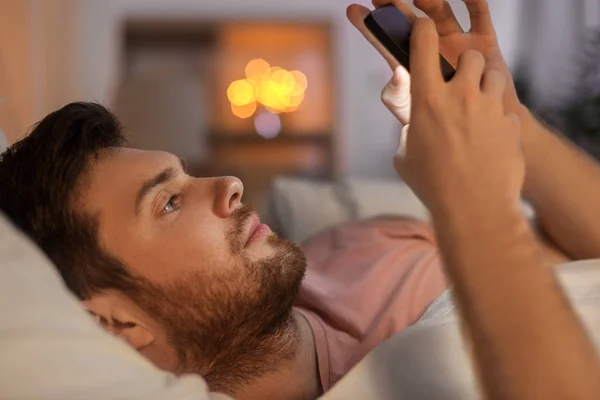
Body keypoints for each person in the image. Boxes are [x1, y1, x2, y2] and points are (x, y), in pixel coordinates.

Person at [0, 1, 598, 400]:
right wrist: (472, 201)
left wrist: (507, 120)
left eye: (185, 176)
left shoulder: (360, 243)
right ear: (113, 321)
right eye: (169, 204)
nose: (228, 184)